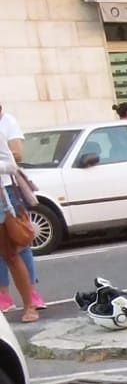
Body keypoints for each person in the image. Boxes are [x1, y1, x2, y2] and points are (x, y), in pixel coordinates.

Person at [0, 102, 42, 318]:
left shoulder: (5, 125)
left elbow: (11, 164)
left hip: (2, 197)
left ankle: (29, 304)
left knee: (12, 253)